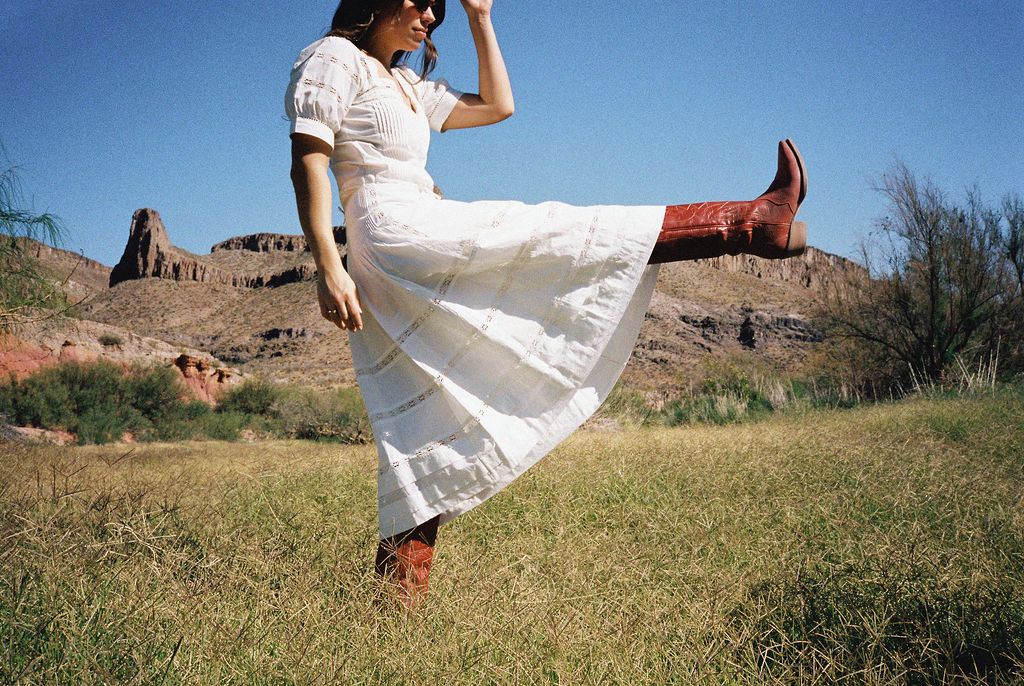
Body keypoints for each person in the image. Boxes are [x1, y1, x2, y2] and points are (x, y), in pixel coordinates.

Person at [287, 0, 807, 608]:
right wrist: (328, 264)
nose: (431, 14)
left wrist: (481, 17)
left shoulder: (403, 83)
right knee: (553, 233)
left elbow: (498, 107)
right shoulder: (331, 58)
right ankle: (745, 223)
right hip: (391, 228)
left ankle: (392, 611)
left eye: (439, 6)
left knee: (419, 422)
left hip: (415, 219)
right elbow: (309, 162)